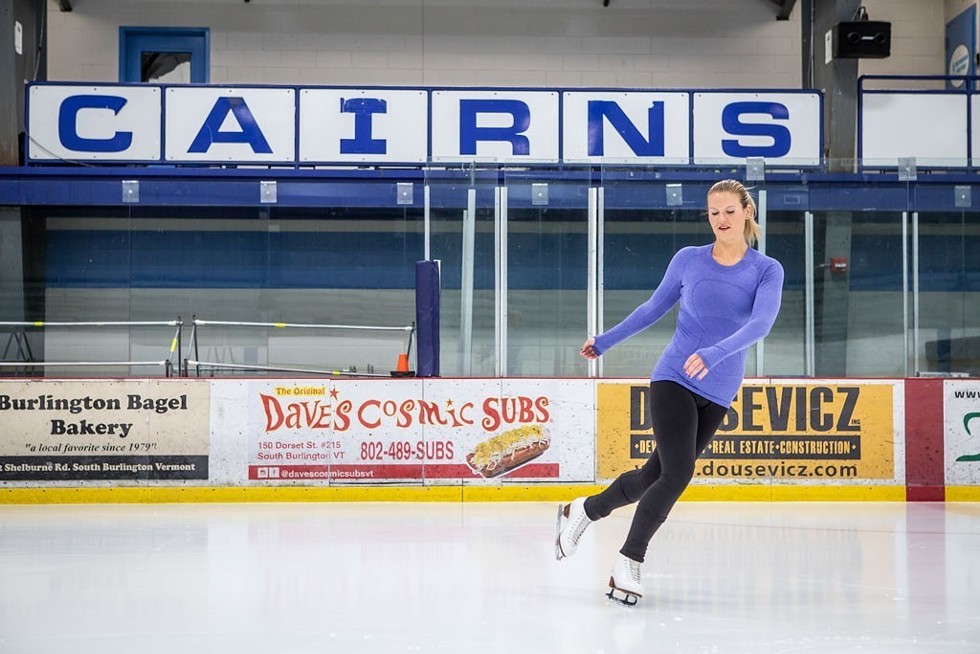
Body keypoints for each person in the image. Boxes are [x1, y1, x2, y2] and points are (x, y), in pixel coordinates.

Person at [555, 179, 784, 605]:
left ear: (747, 212)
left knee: (651, 477)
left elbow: (761, 325)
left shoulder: (766, 269)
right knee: (677, 474)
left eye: (730, 211)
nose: (721, 220)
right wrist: (605, 341)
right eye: (714, 212)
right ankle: (629, 560)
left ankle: (584, 510)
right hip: (674, 377)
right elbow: (652, 308)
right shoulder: (689, 260)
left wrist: (714, 354)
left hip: (718, 390)